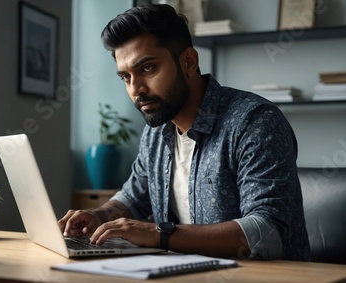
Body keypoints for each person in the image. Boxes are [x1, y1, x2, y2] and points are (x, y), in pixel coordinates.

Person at [59, 4, 310, 261]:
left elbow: (265, 234)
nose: (136, 89)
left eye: (147, 69)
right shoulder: (156, 133)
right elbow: (132, 198)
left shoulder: (254, 122)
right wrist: (100, 215)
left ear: (189, 62)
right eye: (125, 77)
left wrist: (159, 234)